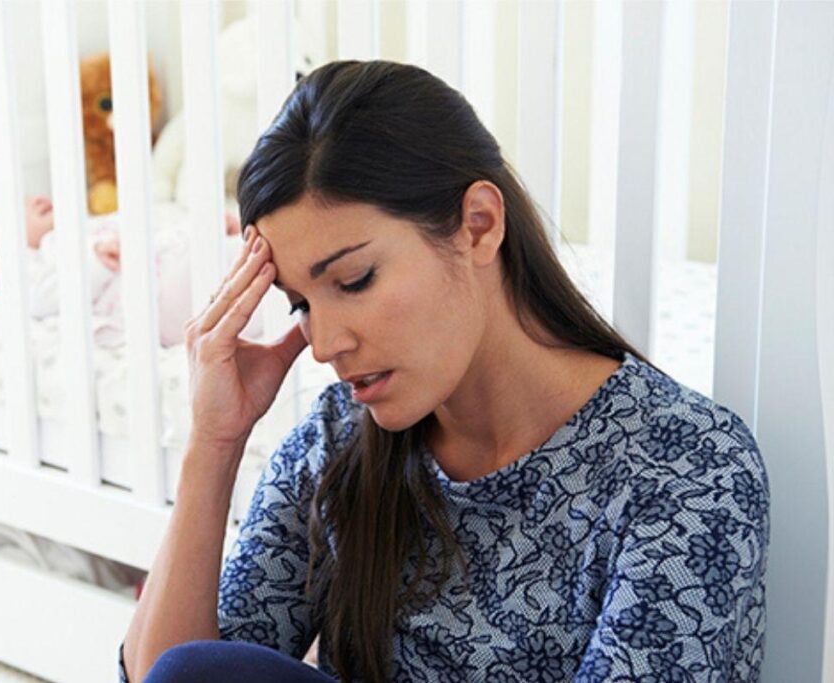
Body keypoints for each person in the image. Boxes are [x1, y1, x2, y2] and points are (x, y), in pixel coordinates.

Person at [121, 61, 769, 682]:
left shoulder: (686, 465)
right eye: (301, 304)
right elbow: (171, 676)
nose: (323, 343)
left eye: (354, 279)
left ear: (479, 225)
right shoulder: (337, 442)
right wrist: (214, 443)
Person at [0, 196, 242, 348]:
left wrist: (194, 232)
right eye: (17, 210)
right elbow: (44, 299)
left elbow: (154, 240)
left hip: (170, 272)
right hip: (156, 303)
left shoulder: (86, 228)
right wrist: (95, 263)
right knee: (232, 276)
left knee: (237, 262)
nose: (34, 200)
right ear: (2, 266)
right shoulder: (39, 266)